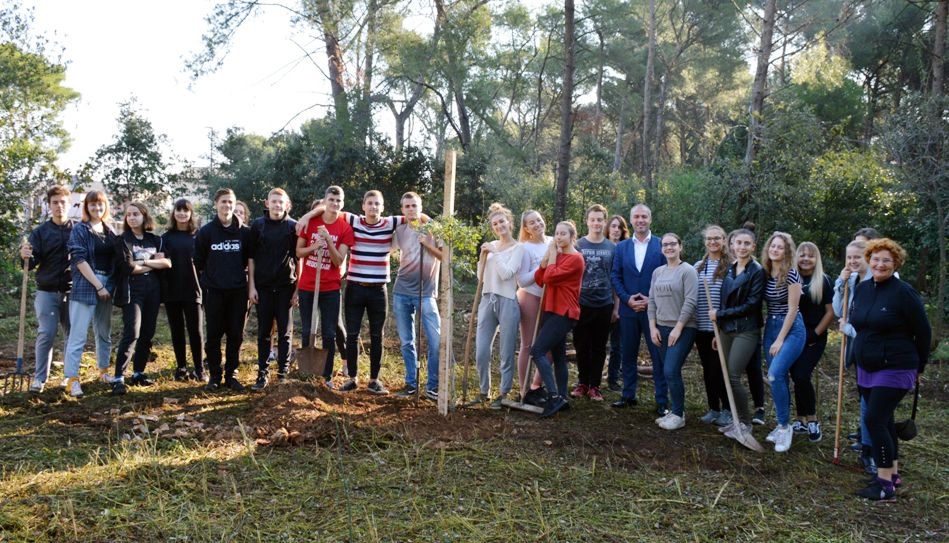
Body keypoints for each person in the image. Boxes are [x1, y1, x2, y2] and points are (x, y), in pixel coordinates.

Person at [848, 239, 930, 501]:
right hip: (867, 366)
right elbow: (859, 324)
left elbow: (924, 331)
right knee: (882, 420)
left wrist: (920, 366)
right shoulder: (861, 290)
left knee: (873, 419)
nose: (879, 264)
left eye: (886, 260)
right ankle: (892, 474)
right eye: (875, 259)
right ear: (868, 261)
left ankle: (884, 483)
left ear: (895, 264)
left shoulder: (903, 293)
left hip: (897, 365)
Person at [62, 191, 120, 397]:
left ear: (106, 207)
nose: (97, 208)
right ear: (87, 207)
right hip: (87, 285)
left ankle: (104, 371)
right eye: (93, 205)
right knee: (78, 335)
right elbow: (78, 260)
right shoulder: (80, 229)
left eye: (101, 204)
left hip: (107, 285)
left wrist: (108, 286)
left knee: (104, 332)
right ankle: (72, 379)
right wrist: (98, 286)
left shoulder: (110, 230)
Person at [195, 188, 252, 392]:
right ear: (216, 204)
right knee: (214, 336)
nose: (227, 206)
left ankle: (231, 375)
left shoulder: (244, 232)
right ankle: (215, 376)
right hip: (214, 292)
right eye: (223, 202)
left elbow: (249, 261)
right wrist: (208, 284)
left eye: (230, 202)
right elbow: (198, 262)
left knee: (236, 335)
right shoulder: (206, 232)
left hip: (238, 291)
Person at [609, 204, 665, 413]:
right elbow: (615, 275)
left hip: (654, 311)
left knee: (657, 356)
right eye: (636, 217)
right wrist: (626, 299)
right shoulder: (622, 247)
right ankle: (628, 395)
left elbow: (668, 274)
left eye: (644, 217)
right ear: (631, 221)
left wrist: (653, 299)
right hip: (628, 309)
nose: (640, 220)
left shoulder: (661, 245)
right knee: (628, 354)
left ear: (650, 219)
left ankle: (661, 401)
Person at [111, 202, 171, 394]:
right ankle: (119, 377)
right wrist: (153, 263)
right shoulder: (123, 240)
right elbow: (128, 268)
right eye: (128, 215)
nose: (131, 218)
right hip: (132, 292)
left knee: (147, 332)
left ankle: (138, 373)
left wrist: (144, 262)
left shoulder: (155, 240)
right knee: (132, 331)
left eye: (135, 214)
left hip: (153, 291)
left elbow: (167, 263)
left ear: (144, 216)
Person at [296, 186, 353, 385]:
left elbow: (338, 261)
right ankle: (306, 373)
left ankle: (326, 376)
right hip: (308, 286)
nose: (335, 204)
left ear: (342, 203)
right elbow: (299, 252)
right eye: (331, 200)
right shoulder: (311, 222)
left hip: (330, 288)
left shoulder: (345, 228)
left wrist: (328, 240)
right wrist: (314, 246)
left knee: (329, 333)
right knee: (307, 330)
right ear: (325, 201)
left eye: (338, 201)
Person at [710, 227, 764, 435]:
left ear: (753, 247)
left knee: (732, 375)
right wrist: (720, 329)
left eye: (746, 243)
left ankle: (745, 423)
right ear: (731, 245)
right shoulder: (730, 268)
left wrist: (720, 316)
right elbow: (724, 301)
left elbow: (751, 305)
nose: (742, 247)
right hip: (726, 329)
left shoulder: (757, 271)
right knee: (725, 375)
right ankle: (735, 419)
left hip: (746, 330)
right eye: (738, 243)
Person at [471, 203, 524, 408]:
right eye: (495, 223)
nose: (499, 226)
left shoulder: (518, 248)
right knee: (482, 350)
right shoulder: (492, 246)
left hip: (508, 300)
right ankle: (483, 391)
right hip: (487, 299)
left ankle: (503, 393)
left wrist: (495, 252)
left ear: (509, 223)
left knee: (506, 349)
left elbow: (507, 274)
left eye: (502, 221)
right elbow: (481, 277)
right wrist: (482, 258)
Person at [21, 186, 73, 393]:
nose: (59, 206)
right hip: (47, 291)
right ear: (49, 205)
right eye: (55, 202)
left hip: (73, 292)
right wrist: (25, 255)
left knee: (73, 335)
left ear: (69, 204)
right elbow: (32, 263)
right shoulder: (40, 232)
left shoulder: (78, 229)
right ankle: (39, 379)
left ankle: (69, 377)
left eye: (63, 202)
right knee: (46, 333)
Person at [392, 192, 444, 399]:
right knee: (407, 341)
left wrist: (428, 245)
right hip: (402, 291)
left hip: (426, 293)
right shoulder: (400, 230)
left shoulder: (434, 228)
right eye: (407, 206)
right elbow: (389, 249)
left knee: (436, 341)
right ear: (402, 209)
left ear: (421, 207)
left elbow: (445, 257)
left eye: (414, 205)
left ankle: (432, 386)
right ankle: (411, 384)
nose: (411, 209)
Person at [531, 221, 584, 417]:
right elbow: (539, 278)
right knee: (560, 356)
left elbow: (550, 278)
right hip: (551, 310)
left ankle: (554, 397)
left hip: (564, 312)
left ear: (572, 236)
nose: (558, 237)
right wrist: (546, 260)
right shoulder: (557, 256)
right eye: (556, 233)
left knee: (537, 351)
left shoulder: (576, 259)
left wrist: (551, 257)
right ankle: (562, 397)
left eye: (563, 234)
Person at [248, 188, 301, 391]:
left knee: (285, 332)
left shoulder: (292, 227)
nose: (277, 205)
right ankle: (262, 373)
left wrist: (298, 289)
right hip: (262, 287)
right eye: (274, 201)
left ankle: (283, 373)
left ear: (287, 205)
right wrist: (251, 286)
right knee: (263, 332)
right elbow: (251, 258)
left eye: (281, 202)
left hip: (286, 287)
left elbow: (299, 259)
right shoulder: (258, 226)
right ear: (267, 203)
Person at [760, 231, 807, 453]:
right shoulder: (766, 273)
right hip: (771, 325)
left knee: (775, 373)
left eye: (780, 247)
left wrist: (780, 340)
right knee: (777, 378)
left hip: (792, 329)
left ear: (787, 251)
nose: (775, 250)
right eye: (772, 246)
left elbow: (793, 308)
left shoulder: (792, 275)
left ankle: (784, 427)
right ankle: (781, 424)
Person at [833, 239, 876, 473]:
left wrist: (847, 329)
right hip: (858, 349)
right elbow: (840, 311)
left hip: (873, 349)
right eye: (849, 258)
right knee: (864, 396)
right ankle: (867, 442)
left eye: (857, 257)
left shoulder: (875, 283)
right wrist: (841, 282)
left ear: (868, 257)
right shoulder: (853, 280)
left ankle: (871, 448)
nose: (852, 261)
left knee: (869, 400)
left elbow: (870, 323)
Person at [648, 233, 698, 430]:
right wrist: (652, 328)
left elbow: (691, 301)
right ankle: (674, 410)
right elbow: (651, 301)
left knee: (671, 370)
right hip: (661, 328)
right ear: (662, 249)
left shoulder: (688, 271)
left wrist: (678, 328)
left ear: (680, 246)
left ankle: (679, 414)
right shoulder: (657, 272)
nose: (669, 247)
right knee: (667, 371)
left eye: (673, 244)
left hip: (684, 328)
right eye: (665, 245)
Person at [790, 242, 834, 442]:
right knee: (796, 376)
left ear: (817, 259)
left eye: (811, 256)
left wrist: (814, 335)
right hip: (793, 336)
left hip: (814, 337)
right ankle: (800, 419)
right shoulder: (791, 278)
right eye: (802, 255)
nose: (806, 259)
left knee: (801, 375)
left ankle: (813, 420)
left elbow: (830, 313)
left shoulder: (823, 281)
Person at [571, 205, 615, 402]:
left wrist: (616, 307)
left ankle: (595, 386)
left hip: (604, 304)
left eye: (600, 220)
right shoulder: (578, 245)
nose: (596, 223)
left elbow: (615, 279)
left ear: (604, 222)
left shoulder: (611, 248)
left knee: (599, 347)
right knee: (581, 345)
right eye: (593, 219)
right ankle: (582, 383)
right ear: (587, 222)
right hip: (582, 303)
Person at [162, 198, 205, 382]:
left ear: (190, 213)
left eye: (185, 210)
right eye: (178, 210)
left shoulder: (198, 235)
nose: (182, 213)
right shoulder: (165, 238)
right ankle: (181, 368)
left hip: (193, 290)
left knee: (195, 331)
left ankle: (199, 368)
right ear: (173, 213)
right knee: (177, 330)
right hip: (172, 291)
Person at [693, 225, 731, 425]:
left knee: (720, 369)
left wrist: (721, 329)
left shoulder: (731, 267)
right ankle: (713, 408)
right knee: (707, 369)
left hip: (720, 329)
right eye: (709, 238)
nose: (713, 242)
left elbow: (731, 301)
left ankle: (727, 409)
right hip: (701, 327)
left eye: (717, 238)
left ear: (724, 240)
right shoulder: (698, 266)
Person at [515, 210, 550, 401]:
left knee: (549, 345)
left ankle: (536, 385)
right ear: (526, 229)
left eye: (538, 220)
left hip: (551, 299)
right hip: (530, 297)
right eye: (531, 223)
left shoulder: (554, 241)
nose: (537, 224)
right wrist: (541, 267)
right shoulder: (525, 248)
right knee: (528, 344)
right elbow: (522, 281)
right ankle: (523, 389)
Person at [605, 215, 629, 391]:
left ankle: (613, 379)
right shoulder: (601, 247)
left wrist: (617, 306)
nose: (615, 230)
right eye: (612, 226)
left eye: (619, 227)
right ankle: (590, 381)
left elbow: (620, 280)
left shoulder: (625, 249)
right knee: (595, 344)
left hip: (619, 302)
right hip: (598, 301)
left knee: (617, 344)